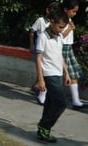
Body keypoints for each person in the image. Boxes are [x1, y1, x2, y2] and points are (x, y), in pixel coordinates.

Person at [35, 9, 71, 143]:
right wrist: (40, 79)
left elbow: (59, 56)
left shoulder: (59, 36)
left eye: (64, 27)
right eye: (60, 27)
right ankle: (44, 125)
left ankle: (43, 132)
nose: (62, 30)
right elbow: (38, 59)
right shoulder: (43, 37)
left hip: (58, 73)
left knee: (50, 103)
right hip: (49, 74)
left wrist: (66, 73)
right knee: (61, 103)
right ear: (51, 22)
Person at [29, 2, 59, 104]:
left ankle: (37, 85)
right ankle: (40, 89)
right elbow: (32, 31)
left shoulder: (54, 23)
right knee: (42, 67)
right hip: (40, 45)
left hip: (48, 47)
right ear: (47, 10)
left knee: (43, 68)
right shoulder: (40, 20)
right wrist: (32, 44)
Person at [60, 0, 84, 109]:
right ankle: (43, 95)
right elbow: (59, 37)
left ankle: (76, 101)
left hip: (68, 47)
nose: (74, 14)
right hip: (62, 48)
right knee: (56, 74)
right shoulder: (61, 20)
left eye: (76, 11)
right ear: (66, 9)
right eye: (73, 11)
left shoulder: (68, 19)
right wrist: (69, 28)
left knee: (74, 73)